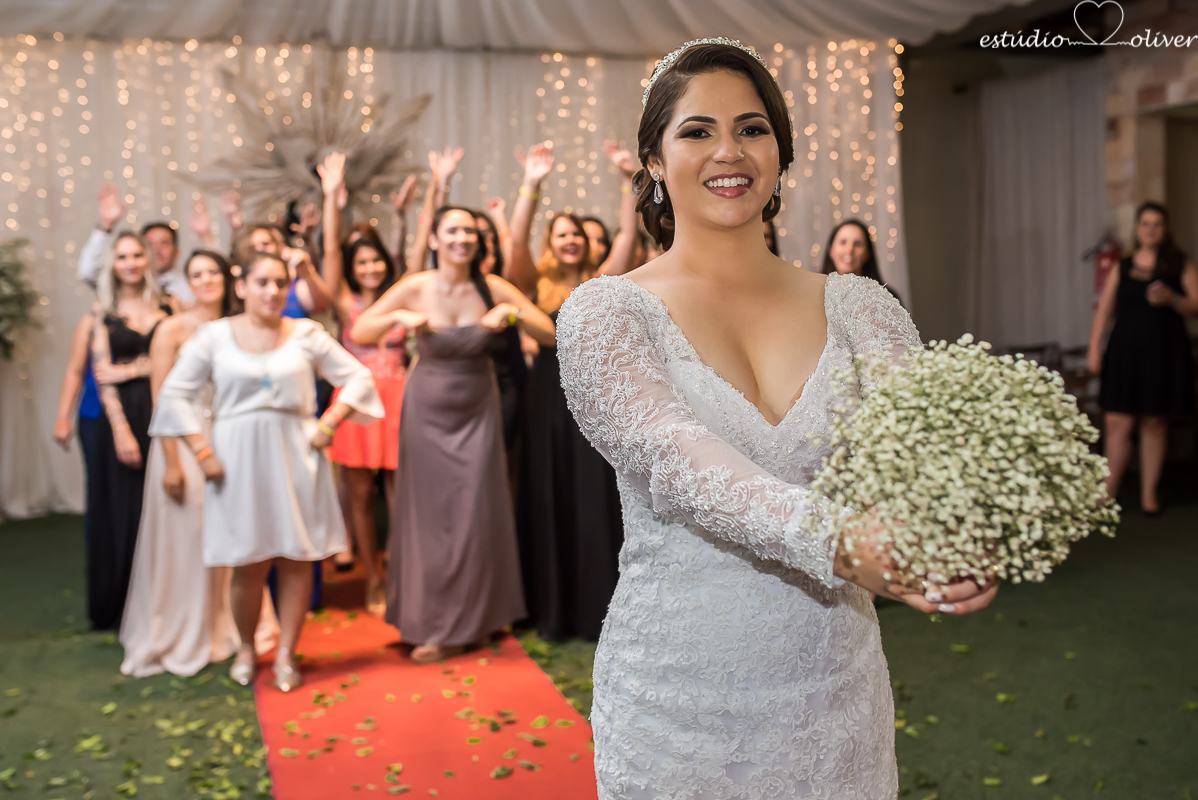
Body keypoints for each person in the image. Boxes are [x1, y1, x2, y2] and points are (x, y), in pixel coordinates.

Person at [555, 40, 997, 798]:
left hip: (834, 699)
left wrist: (955, 532)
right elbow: (676, 459)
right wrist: (840, 541)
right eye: (697, 131)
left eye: (752, 128)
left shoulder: (860, 307)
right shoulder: (606, 312)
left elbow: (929, 455)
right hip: (675, 706)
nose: (729, 151)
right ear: (655, 160)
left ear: (780, 153)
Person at [150, 251, 383, 691]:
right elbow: (173, 394)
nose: (272, 291)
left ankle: (287, 654)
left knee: (295, 558)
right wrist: (201, 452)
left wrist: (330, 422)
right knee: (247, 562)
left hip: (297, 453)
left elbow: (358, 378)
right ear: (241, 287)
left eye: (280, 283)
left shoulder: (307, 334)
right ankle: (244, 647)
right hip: (234, 458)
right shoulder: (214, 337)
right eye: (262, 282)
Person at [351, 205, 556, 663]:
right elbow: (362, 328)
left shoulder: (493, 286)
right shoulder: (416, 286)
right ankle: (434, 621)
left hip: (478, 410)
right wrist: (400, 321)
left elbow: (549, 334)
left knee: (476, 513)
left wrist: (511, 314)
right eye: (452, 229)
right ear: (436, 239)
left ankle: (475, 620)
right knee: (430, 515)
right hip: (426, 412)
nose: (462, 236)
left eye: (468, 229)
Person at [504, 141, 639, 642]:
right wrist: (532, 185)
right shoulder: (532, 285)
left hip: (593, 398)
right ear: (551, 242)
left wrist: (628, 177)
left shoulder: (602, 282)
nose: (571, 240)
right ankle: (552, 607)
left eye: (577, 234)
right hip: (546, 402)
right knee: (548, 492)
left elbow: (628, 234)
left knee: (593, 496)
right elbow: (513, 244)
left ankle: (598, 607)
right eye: (561, 234)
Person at [120, 250, 278, 676]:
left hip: (230, 441)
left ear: (228, 279)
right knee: (188, 538)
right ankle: (184, 628)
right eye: (197, 274)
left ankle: (228, 625)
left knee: (231, 536)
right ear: (187, 281)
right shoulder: (172, 328)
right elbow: (162, 401)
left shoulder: (236, 327)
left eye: (213, 272)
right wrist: (173, 461)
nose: (206, 279)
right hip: (184, 445)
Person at [316, 152, 406, 614]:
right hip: (355, 401)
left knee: (399, 494)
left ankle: (398, 574)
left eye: (376, 261)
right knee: (358, 497)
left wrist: (430, 198)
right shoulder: (343, 301)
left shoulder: (399, 294)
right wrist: (332, 196)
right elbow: (330, 251)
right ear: (352, 267)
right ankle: (372, 577)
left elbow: (423, 242)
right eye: (362, 263)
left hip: (400, 398)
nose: (370, 268)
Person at [87, 232, 174, 630]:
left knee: (165, 508)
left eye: (137, 254)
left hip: (162, 409)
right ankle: (122, 606)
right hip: (123, 417)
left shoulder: (170, 307)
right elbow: (104, 379)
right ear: (113, 264)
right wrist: (121, 431)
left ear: (147, 259)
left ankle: (165, 601)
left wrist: (134, 368)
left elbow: (181, 362)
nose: (131, 262)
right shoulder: (102, 312)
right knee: (123, 509)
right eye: (122, 256)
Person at [1088, 201, 1198, 513]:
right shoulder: (1121, 266)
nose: (1151, 229)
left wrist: (1173, 299)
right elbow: (1105, 310)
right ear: (1137, 229)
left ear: (1165, 229)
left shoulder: (1179, 263)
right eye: (1145, 224)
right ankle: (1106, 493)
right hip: (1125, 352)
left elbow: (1196, 304)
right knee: (1116, 421)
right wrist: (1094, 348)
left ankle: (1150, 494)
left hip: (1164, 353)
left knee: (1154, 422)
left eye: (1157, 224)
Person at [77, 184, 193, 303]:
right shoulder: (125, 283)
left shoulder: (191, 285)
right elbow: (87, 271)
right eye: (149, 244)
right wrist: (106, 226)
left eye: (164, 243)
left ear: (177, 251)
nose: (156, 249)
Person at [821, 218, 902, 305]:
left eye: (857, 244)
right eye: (843, 242)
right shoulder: (815, 294)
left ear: (867, 253)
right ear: (831, 249)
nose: (850, 250)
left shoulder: (887, 298)